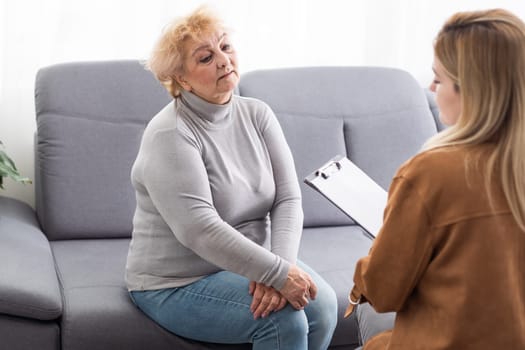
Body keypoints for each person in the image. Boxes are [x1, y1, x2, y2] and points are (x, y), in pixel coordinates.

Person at [124, 6, 337, 349]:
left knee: (323, 307)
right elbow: (199, 229)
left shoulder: (257, 114)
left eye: (225, 47)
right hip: (176, 282)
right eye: (206, 58)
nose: (223, 60)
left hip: (248, 265)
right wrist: (277, 275)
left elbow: (287, 198)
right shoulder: (170, 134)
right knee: (284, 320)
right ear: (182, 79)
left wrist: (280, 269)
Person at [347, 8, 525, 350]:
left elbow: (383, 293)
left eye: (439, 79)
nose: (431, 88)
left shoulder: (430, 173)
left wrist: (378, 251)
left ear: (471, 89)